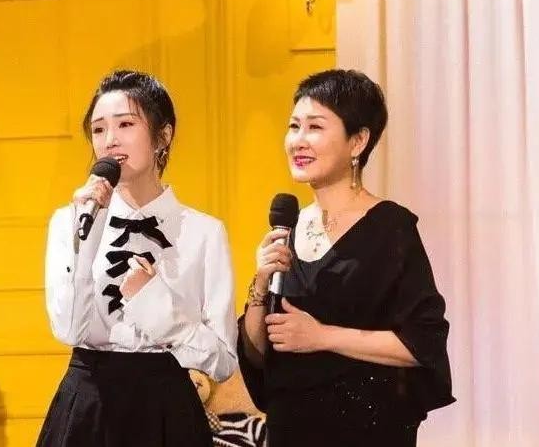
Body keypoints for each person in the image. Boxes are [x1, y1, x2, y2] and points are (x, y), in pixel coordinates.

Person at [238, 69, 455, 446]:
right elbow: (258, 356)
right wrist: (260, 281)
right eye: (294, 126)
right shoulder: (288, 227)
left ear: (358, 141)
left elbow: (422, 344)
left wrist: (322, 336)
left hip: (366, 429)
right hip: (290, 428)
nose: (298, 141)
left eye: (315, 127)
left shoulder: (391, 227)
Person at [37, 69, 237, 447]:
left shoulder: (205, 232)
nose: (110, 140)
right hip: (88, 407)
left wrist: (155, 306)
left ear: (163, 136)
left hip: (167, 410)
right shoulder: (70, 221)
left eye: (126, 124)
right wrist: (87, 236)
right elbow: (68, 330)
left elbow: (223, 362)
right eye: (98, 129)